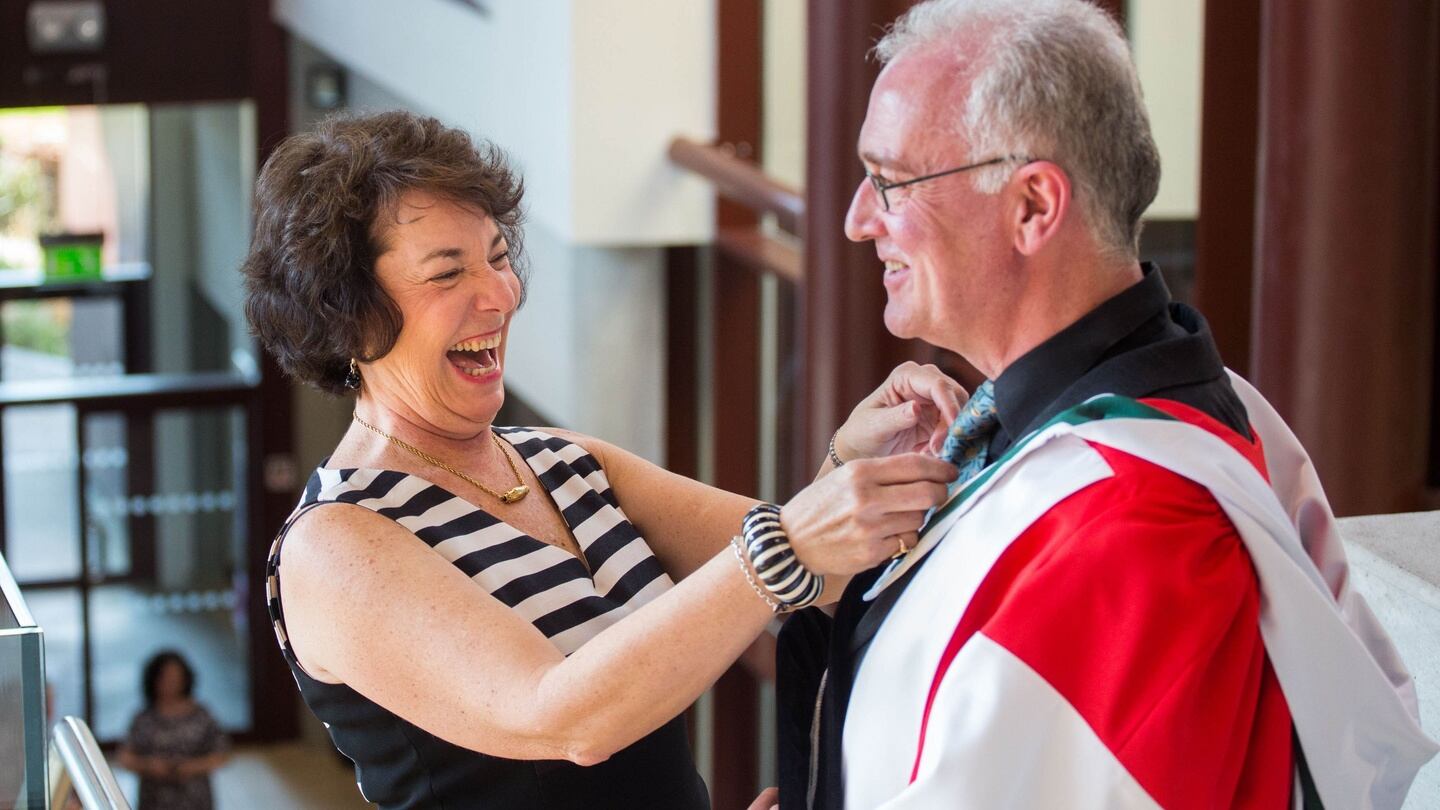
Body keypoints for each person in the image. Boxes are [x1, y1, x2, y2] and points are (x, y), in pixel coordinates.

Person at [774, 1, 1438, 808]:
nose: (856, 221)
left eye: (888, 182)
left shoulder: (1128, 528)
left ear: (1033, 208)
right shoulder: (1172, 412)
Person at [242, 110, 964, 809]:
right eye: (446, 274)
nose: (499, 294)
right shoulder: (337, 541)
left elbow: (814, 574)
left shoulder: (565, 464)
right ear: (351, 315)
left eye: (497, 257)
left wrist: (851, 459)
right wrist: (791, 539)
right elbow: (563, 718)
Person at [116, 651, 230, 810]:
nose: (171, 682)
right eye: (165, 677)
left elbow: (221, 754)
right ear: (154, 680)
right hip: (154, 799)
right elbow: (124, 757)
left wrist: (192, 767)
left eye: (175, 677)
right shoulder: (144, 718)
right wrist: (149, 766)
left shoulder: (201, 715)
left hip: (195, 798)